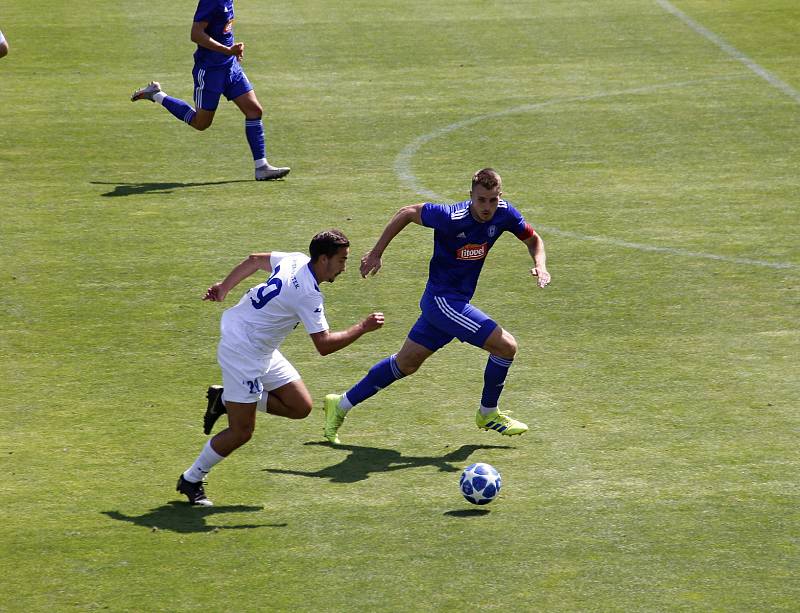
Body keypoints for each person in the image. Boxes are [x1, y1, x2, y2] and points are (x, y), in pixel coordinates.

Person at [322, 168, 550, 444]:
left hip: (451, 303)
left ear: (500, 196)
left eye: (492, 200)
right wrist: (376, 253)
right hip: (443, 301)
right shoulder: (450, 217)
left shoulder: (506, 214)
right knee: (506, 346)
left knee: (405, 363)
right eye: (481, 200)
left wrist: (540, 265)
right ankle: (488, 413)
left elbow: (533, 239)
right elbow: (406, 212)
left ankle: (340, 404)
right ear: (471, 197)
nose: (487, 207)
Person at [177, 229, 384, 505]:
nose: (344, 266)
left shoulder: (295, 260)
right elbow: (324, 345)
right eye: (342, 260)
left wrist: (225, 287)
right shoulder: (309, 295)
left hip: (259, 346)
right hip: (243, 353)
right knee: (241, 431)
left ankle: (226, 398)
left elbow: (254, 260)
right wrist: (363, 327)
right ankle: (191, 479)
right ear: (324, 259)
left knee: (300, 407)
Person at [131, 0, 289, 181]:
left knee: (254, 110)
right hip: (209, 71)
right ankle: (156, 94)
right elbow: (196, 34)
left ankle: (261, 167)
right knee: (201, 123)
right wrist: (227, 49)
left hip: (230, 67)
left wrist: (232, 51)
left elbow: (222, 29)